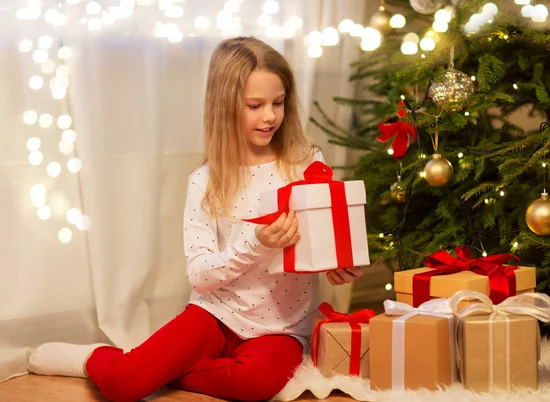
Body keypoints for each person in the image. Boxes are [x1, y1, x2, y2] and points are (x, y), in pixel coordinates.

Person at [27, 36, 364, 402]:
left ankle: (153, 368)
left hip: (281, 328)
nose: (270, 116)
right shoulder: (205, 181)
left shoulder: (306, 164)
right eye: (255, 105)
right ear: (224, 105)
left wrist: (335, 265)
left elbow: (319, 245)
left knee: (255, 385)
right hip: (215, 314)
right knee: (123, 386)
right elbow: (201, 275)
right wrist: (257, 242)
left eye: (278, 103)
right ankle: (93, 358)